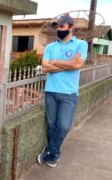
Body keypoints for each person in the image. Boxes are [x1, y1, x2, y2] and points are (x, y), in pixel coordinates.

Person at [37, 15, 88, 167]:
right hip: (50, 91)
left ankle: (48, 150)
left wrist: (55, 62)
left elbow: (77, 65)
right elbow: (45, 67)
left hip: (69, 94)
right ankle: (54, 154)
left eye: (62, 26)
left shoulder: (81, 44)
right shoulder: (50, 47)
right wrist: (68, 63)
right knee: (52, 125)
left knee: (64, 126)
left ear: (71, 27)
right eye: (57, 27)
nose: (58, 29)